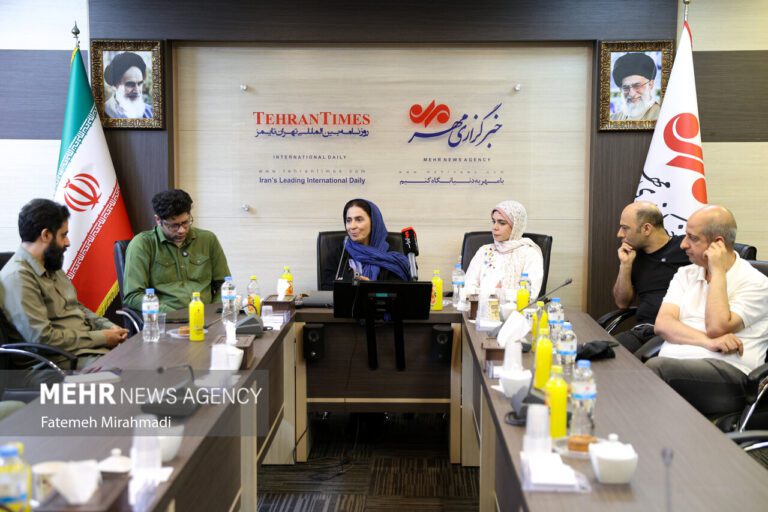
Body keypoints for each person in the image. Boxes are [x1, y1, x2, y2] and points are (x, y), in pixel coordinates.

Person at [647, 205, 768, 416]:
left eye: (692, 238)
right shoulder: (686, 274)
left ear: (718, 244)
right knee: (627, 366)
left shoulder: (756, 283)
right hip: (676, 366)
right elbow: (663, 324)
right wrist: (707, 342)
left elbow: (717, 327)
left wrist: (717, 271)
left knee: (655, 370)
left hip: (730, 377)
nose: (683, 244)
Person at [0, 199, 128, 367]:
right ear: (46, 235)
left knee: (144, 359)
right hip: (55, 364)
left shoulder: (51, 265)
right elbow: (42, 339)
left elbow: (77, 308)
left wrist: (110, 328)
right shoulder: (17, 277)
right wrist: (102, 337)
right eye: (63, 235)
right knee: (130, 372)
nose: (67, 242)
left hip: (88, 351)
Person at [123, 189, 231, 313]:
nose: (181, 230)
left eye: (185, 222)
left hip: (206, 315)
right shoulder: (142, 244)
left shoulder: (207, 239)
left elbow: (224, 284)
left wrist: (215, 311)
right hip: (167, 318)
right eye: (173, 225)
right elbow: (133, 296)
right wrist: (173, 314)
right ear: (158, 220)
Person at [612, 201, 688, 354]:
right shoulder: (633, 255)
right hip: (642, 331)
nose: (619, 234)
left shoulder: (686, 249)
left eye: (625, 228)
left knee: (627, 362)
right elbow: (622, 303)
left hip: (674, 332)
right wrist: (625, 266)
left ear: (646, 228)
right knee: (600, 353)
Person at [465, 200, 544, 299]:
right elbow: (467, 288)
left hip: (516, 309)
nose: (494, 227)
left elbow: (530, 295)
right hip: (481, 307)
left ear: (516, 226)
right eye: (494, 221)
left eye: (502, 223)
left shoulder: (530, 254)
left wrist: (494, 293)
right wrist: (494, 292)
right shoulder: (484, 251)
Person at [321, 198, 411, 285]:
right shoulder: (338, 254)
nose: (352, 226)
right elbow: (326, 288)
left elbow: (398, 291)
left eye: (359, 220)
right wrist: (351, 286)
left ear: (373, 222)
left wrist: (371, 288)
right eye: (348, 220)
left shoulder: (392, 259)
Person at [609, 52, 660, 122]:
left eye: (637, 86)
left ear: (650, 84)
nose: (631, 94)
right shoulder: (613, 119)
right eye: (626, 88)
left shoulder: (662, 116)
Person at [103, 51, 153, 119]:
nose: (137, 90)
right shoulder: (105, 112)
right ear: (115, 85)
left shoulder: (150, 112)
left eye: (140, 84)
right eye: (130, 84)